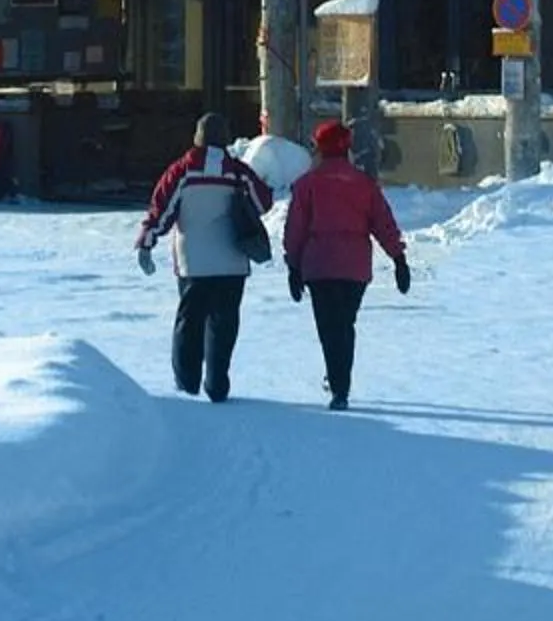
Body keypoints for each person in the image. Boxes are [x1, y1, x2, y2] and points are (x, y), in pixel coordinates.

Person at [136, 110, 274, 402]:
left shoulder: (182, 171)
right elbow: (263, 203)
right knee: (223, 324)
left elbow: (162, 210)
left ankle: (187, 383)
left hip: (193, 262)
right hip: (232, 260)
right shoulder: (237, 171)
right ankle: (217, 383)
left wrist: (147, 241)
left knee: (190, 321)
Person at [282, 117, 409, 409]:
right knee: (345, 324)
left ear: (320, 150)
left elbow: (295, 229)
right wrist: (398, 258)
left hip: (319, 266)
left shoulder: (307, 185)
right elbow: (383, 223)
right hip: (354, 267)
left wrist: (293, 265)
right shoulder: (364, 184)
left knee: (328, 327)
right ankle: (341, 381)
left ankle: (337, 382)